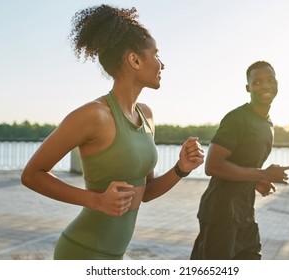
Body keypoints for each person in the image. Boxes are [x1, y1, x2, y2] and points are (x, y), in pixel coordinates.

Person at [21, 4, 204, 260]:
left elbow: (146, 192)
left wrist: (180, 169)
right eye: (156, 54)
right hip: (81, 252)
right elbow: (32, 175)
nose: (162, 63)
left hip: (115, 256)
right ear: (135, 60)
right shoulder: (93, 115)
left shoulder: (147, 115)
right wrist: (96, 201)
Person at [190, 61, 289, 260]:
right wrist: (262, 173)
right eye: (257, 82)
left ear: (277, 83)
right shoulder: (237, 118)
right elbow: (212, 165)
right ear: (248, 88)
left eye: (270, 80)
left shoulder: (267, 122)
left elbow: (241, 162)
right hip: (220, 214)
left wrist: (255, 180)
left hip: (244, 213)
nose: (265, 86)